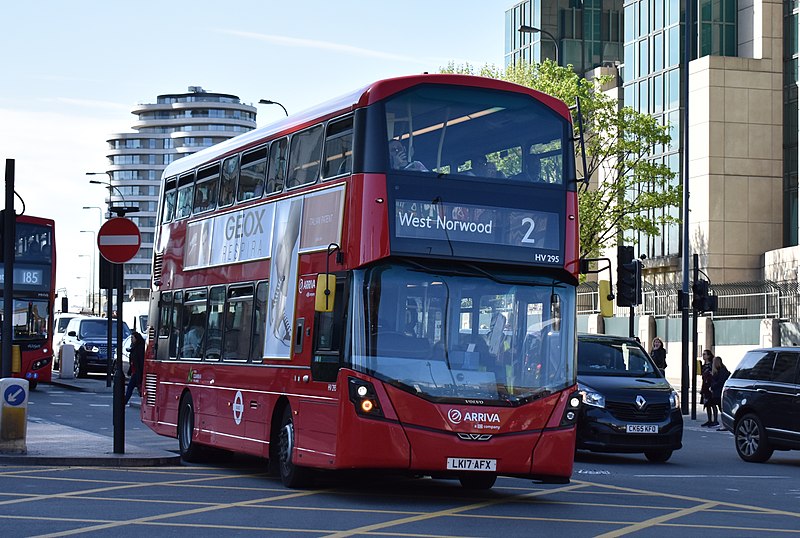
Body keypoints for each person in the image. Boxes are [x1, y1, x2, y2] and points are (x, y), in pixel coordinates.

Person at [124, 332, 145, 406]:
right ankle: (125, 400)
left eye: (133, 338)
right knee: (134, 387)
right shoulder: (134, 347)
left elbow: (140, 361)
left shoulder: (139, 348)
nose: (132, 340)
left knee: (132, 387)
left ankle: (125, 401)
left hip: (138, 372)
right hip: (135, 371)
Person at [710, 356, 731, 430]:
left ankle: (725, 425)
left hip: (719, 392)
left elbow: (720, 382)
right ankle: (724, 424)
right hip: (719, 391)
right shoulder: (722, 370)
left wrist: (713, 386)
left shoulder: (721, 371)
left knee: (721, 408)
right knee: (720, 407)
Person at [699, 350, 715, 427]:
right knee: (707, 404)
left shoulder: (711, 365)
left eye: (705, 354)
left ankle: (715, 420)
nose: (703, 356)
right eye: (703, 354)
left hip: (710, 386)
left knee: (712, 403)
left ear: (708, 356)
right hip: (705, 386)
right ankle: (709, 420)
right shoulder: (704, 365)